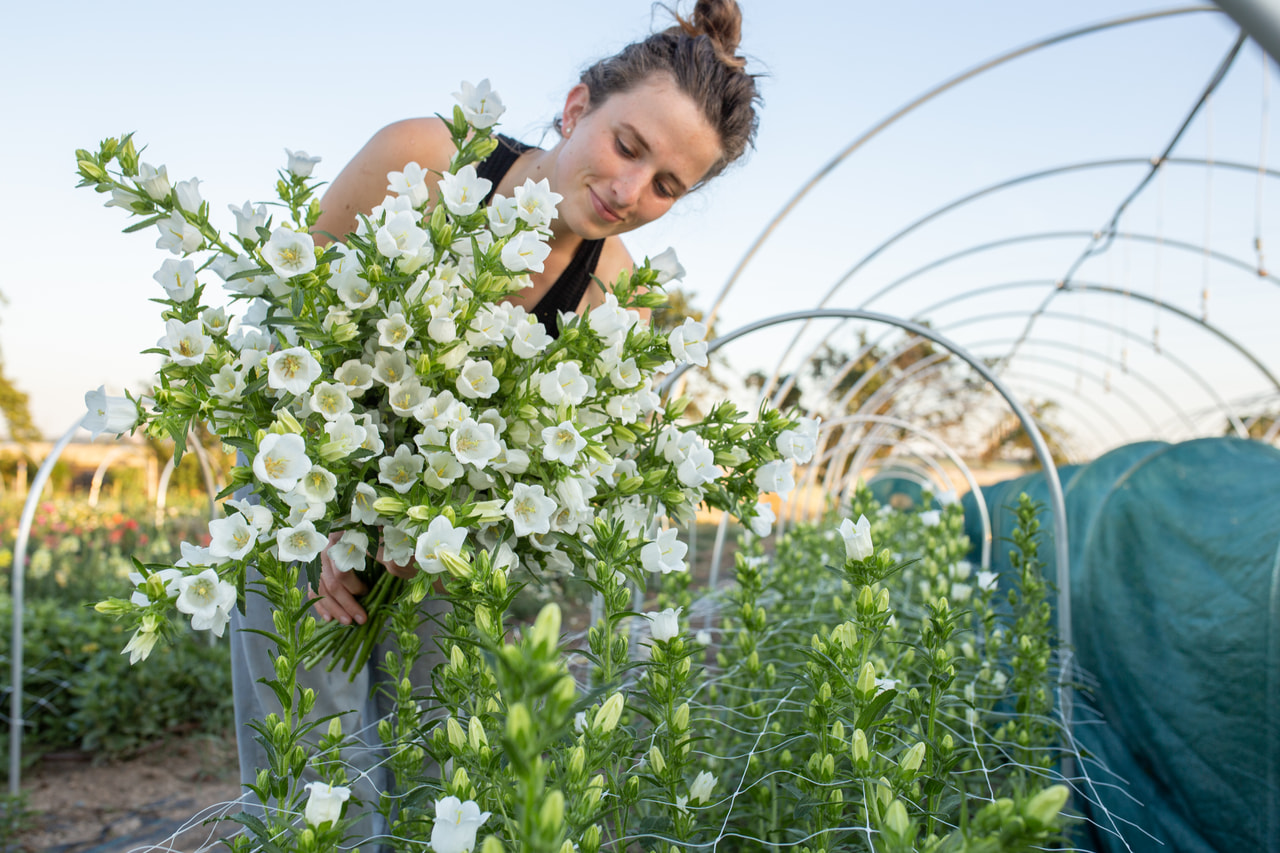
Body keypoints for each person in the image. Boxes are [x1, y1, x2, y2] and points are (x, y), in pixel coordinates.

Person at [229, 0, 761, 840]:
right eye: (627, 146)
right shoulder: (428, 159)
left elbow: (554, 468)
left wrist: (430, 538)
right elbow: (283, 330)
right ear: (579, 107)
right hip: (297, 499)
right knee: (311, 780)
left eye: (667, 186)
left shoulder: (608, 291)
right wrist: (323, 515)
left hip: (441, 551)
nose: (629, 192)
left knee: (432, 770)